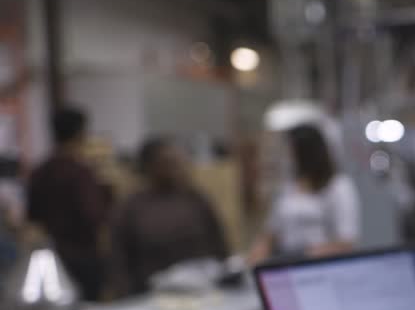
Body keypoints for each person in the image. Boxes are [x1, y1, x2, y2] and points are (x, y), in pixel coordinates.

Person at [110, 137, 228, 295]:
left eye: (179, 161)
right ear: (149, 167)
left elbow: (219, 242)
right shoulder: (131, 207)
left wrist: (226, 276)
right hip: (153, 297)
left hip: (205, 289)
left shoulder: (195, 198)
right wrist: (126, 294)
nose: (177, 168)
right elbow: (119, 259)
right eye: (168, 163)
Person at [27, 106, 113, 301]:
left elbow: (32, 216)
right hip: (84, 256)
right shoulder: (81, 173)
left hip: (53, 254)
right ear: (81, 134)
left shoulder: (40, 172)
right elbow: (93, 215)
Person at [250, 124, 360, 262]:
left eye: (291, 153)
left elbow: (346, 242)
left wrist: (304, 256)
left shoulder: (338, 187)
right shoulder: (288, 188)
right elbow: (271, 233)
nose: (288, 158)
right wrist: (256, 256)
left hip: (320, 263)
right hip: (285, 261)